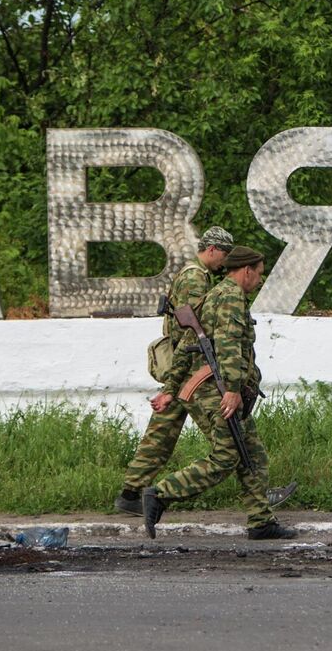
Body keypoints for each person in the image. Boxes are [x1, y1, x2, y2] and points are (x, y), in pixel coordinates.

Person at [143, 245, 298, 540]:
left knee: (253, 454)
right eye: (259, 273)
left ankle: (261, 522)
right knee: (226, 457)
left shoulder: (213, 295)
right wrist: (233, 390)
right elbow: (228, 346)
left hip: (211, 387)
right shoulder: (230, 297)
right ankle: (160, 494)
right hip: (217, 390)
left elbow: (185, 347)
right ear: (247, 270)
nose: (260, 280)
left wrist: (170, 390)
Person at [113, 226, 234, 515]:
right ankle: (257, 491)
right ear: (213, 249)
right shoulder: (195, 277)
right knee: (228, 434)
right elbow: (194, 327)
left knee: (161, 433)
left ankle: (130, 493)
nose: (225, 262)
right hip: (191, 369)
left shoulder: (191, 273)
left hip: (181, 372)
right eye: (224, 255)